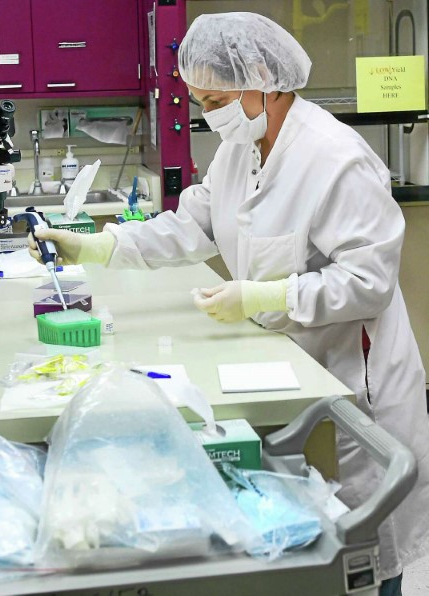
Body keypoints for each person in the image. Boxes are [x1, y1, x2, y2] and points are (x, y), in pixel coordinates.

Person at [29, 12, 429, 594]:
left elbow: (369, 282)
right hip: (290, 368)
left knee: (366, 545)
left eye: (215, 100)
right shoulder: (239, 149)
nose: (208, 113)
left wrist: (267, 294)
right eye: (200, 101)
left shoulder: (336, 158)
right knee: (307, 533)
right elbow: (191, 225)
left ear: (263, 80)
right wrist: (98, 245)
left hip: (354, 381)